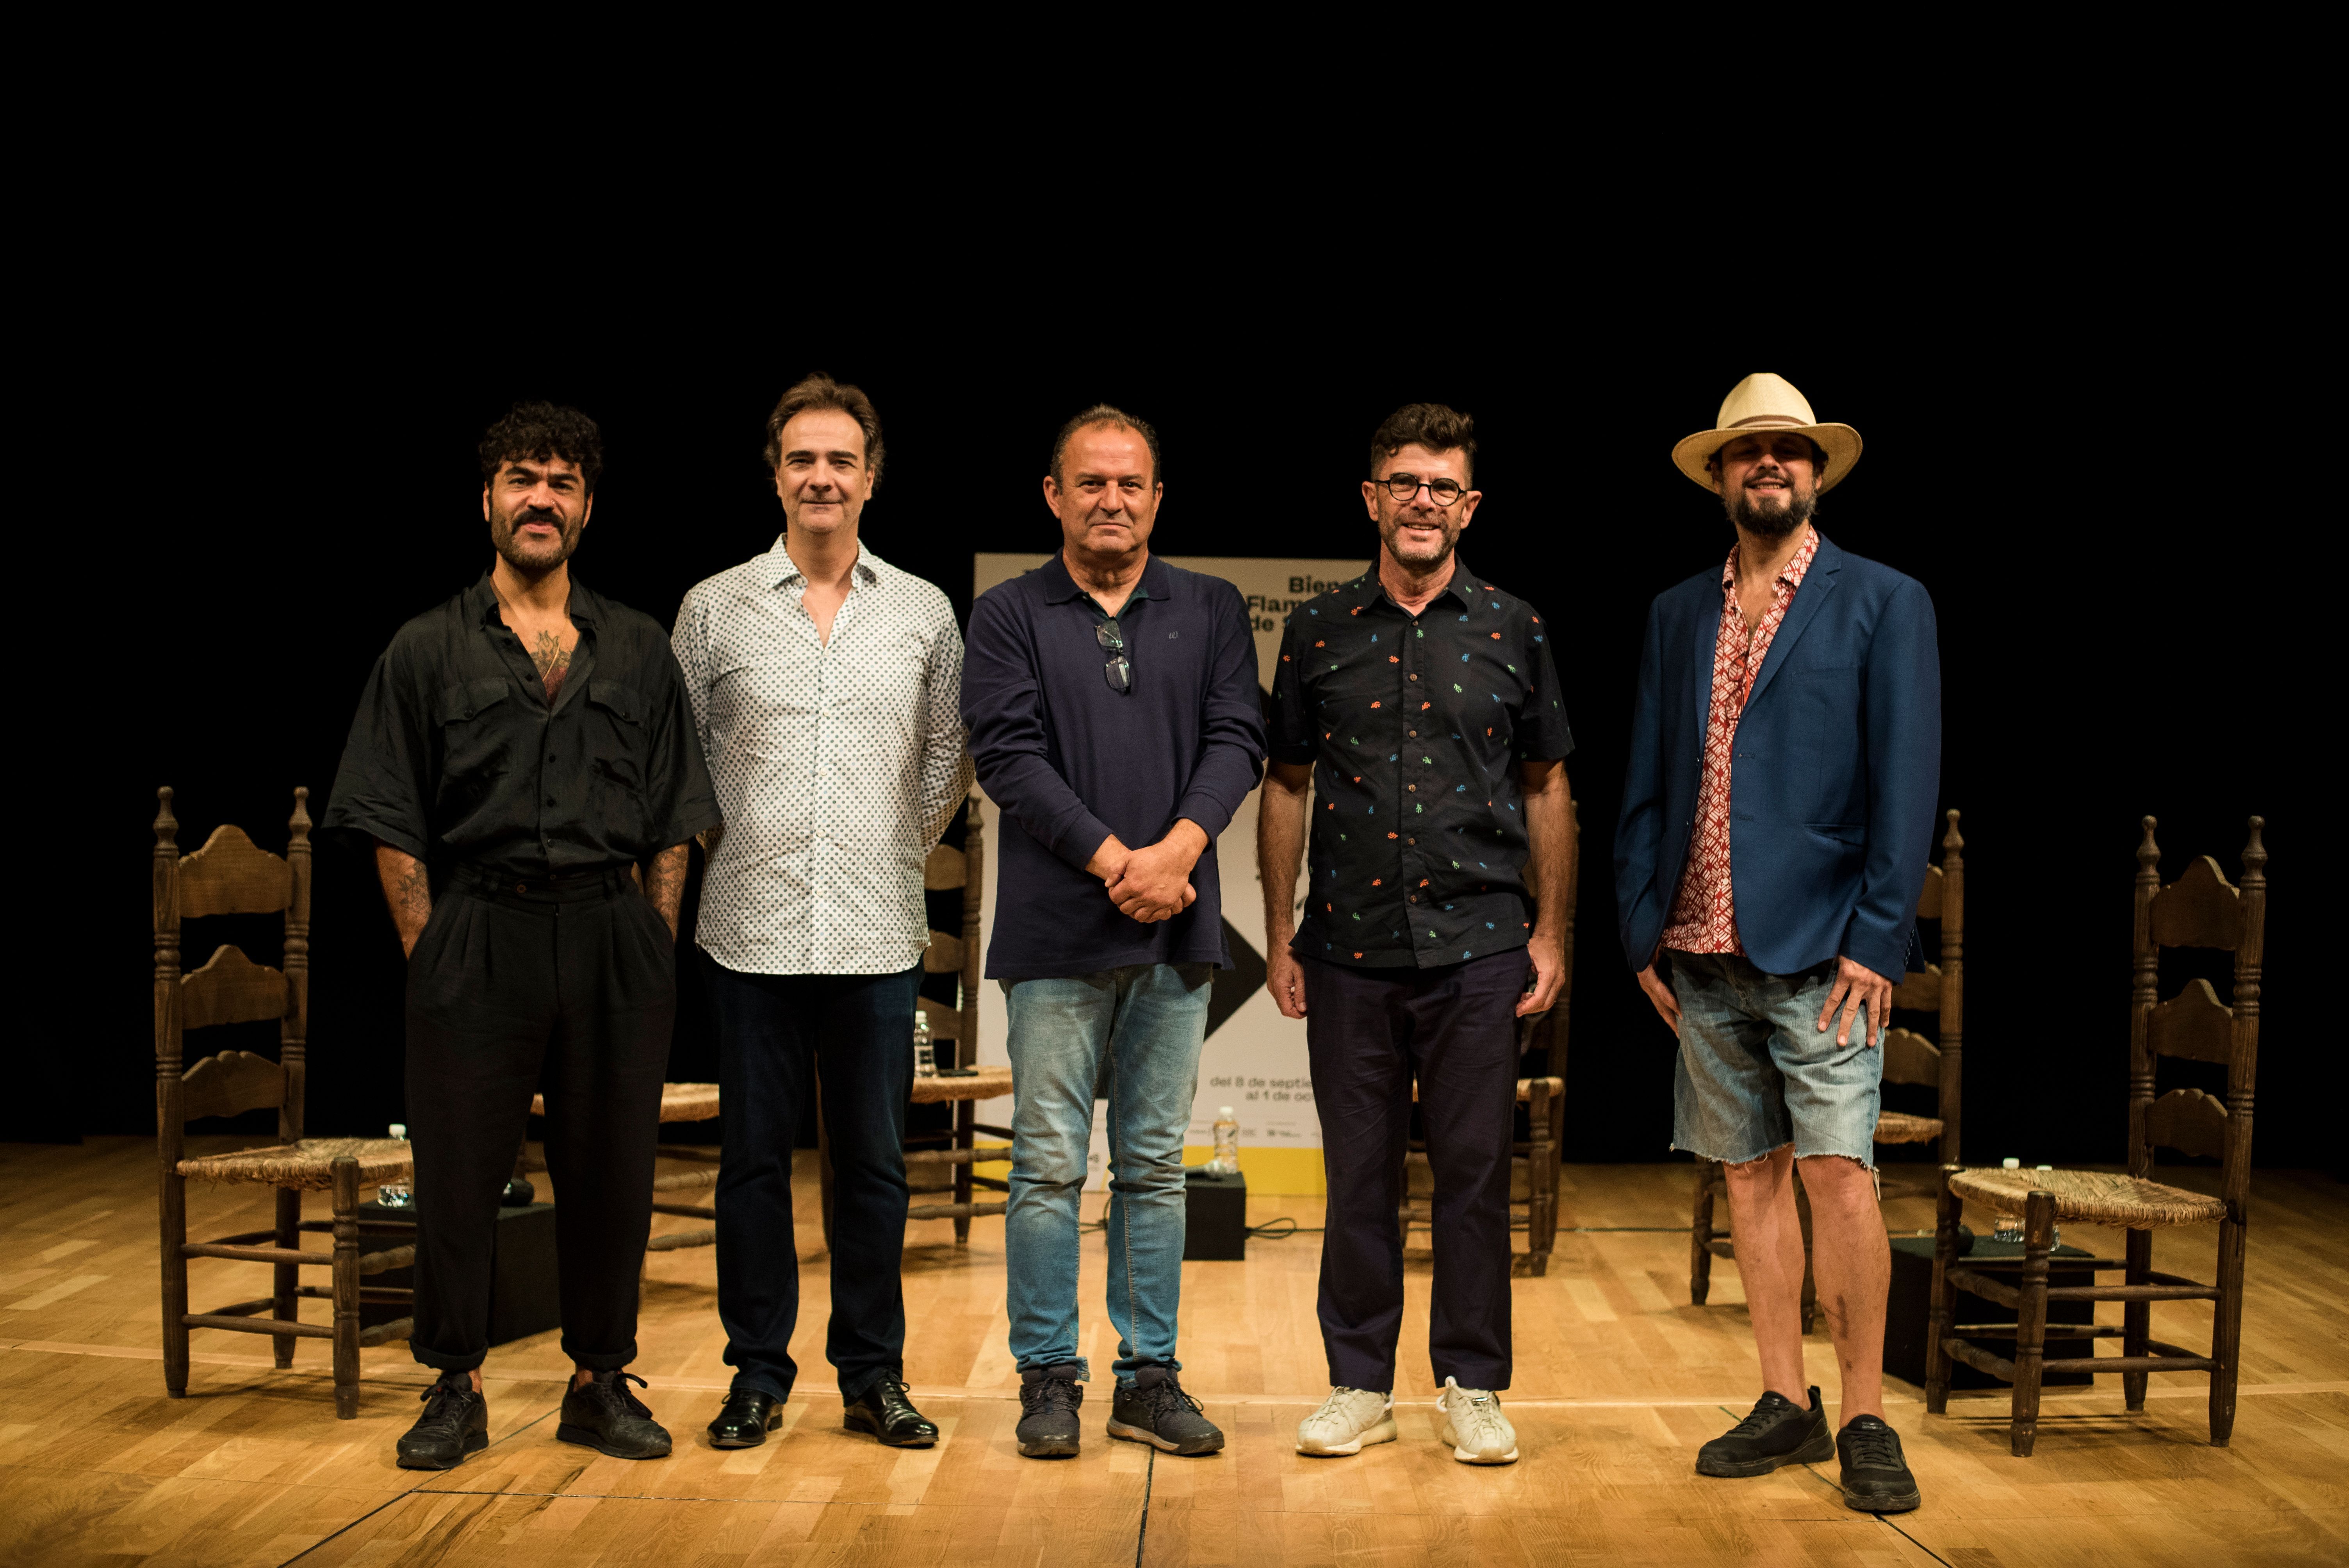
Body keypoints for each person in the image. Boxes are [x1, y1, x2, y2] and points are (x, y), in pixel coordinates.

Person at [325, 401, 720, 1470]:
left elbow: (676, 811)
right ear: (487, 501)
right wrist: (434, 950)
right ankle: (455, 1385)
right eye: (519, 477)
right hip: (479, 930)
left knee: (612, 1170)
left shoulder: (637, 648)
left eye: (560, 480)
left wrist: (651, 938)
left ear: (587, 508)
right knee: (459, 1171)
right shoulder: (425, 648)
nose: (539, 497)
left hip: (610, 934)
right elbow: (388, 814)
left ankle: (600, 1381)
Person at [1615, 372, 1940, 1513]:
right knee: (1749, 1180)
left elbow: (1908, 786)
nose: (1771, 465)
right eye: (1749, 450)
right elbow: (1651, 779)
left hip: (1824, 954)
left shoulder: (1883, 601)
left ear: (1817, 471)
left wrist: (1879, 942)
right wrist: (1640, 930)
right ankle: (1782, 1400)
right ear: (1718, 473)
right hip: (1700, 949)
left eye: (1790, 451)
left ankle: (1864, 1415)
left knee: (1840, 1180)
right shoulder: (1677, 612)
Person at [1258, 403, 1575, 1466]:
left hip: (1483, 947)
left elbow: (1547, 788)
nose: (1424, 501)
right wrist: (1278, 929)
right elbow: (1286, 782)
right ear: (1372, 499)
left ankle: (1474, 1385)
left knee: (1475, 1174)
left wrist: (1552, 935)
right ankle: (1358, 1383)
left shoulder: (1514, 628)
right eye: (1406, 482)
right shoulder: (1317, 629)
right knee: (1359, 1177)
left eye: (1443, 486)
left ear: (1469, 506)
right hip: (1348, 948)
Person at [672, 373, 971, 1451]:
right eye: (803, 459)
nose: (822, 477)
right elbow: (683, 771)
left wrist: (887, 849)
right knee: (752, 1164)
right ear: (777, 473)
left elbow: (947, 762)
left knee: (875, 1168)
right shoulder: (713, 609)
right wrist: (744, 848)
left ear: (871, 476)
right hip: (747, 930)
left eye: (841, 460)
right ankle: (756, 1375)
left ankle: (873, 1377)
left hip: (877, 930)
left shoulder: (925, 612)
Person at [962, 405, 1265, 1460]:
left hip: (1177, 932)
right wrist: (1116, 863)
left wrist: (1176, 853)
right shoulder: (1008, 616)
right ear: (1055, 496)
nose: (1111, 500)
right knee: (1046, 1166)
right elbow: (1008, 756)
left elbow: (1238, 739)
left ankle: (1150, 1377)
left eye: (1129, 484)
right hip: (1054, 937)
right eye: (1089, 483)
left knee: (1152, 1166)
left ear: (1157, 498)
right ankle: (1048, 1379)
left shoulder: (1214, 608)